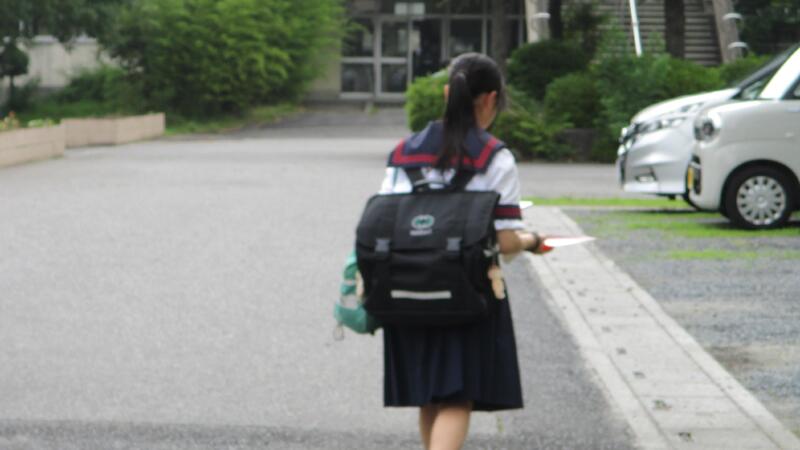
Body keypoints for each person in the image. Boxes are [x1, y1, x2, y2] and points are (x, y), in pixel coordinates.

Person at [376, 52, 550, 450]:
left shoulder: (404, 152)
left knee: (429, 394)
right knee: (456, 397)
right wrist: (533, 241)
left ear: (446, 93)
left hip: (406, 286)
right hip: (466, 291)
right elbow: (505, 242)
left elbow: (386, 218)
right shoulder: (494, 156)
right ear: (491, 99)